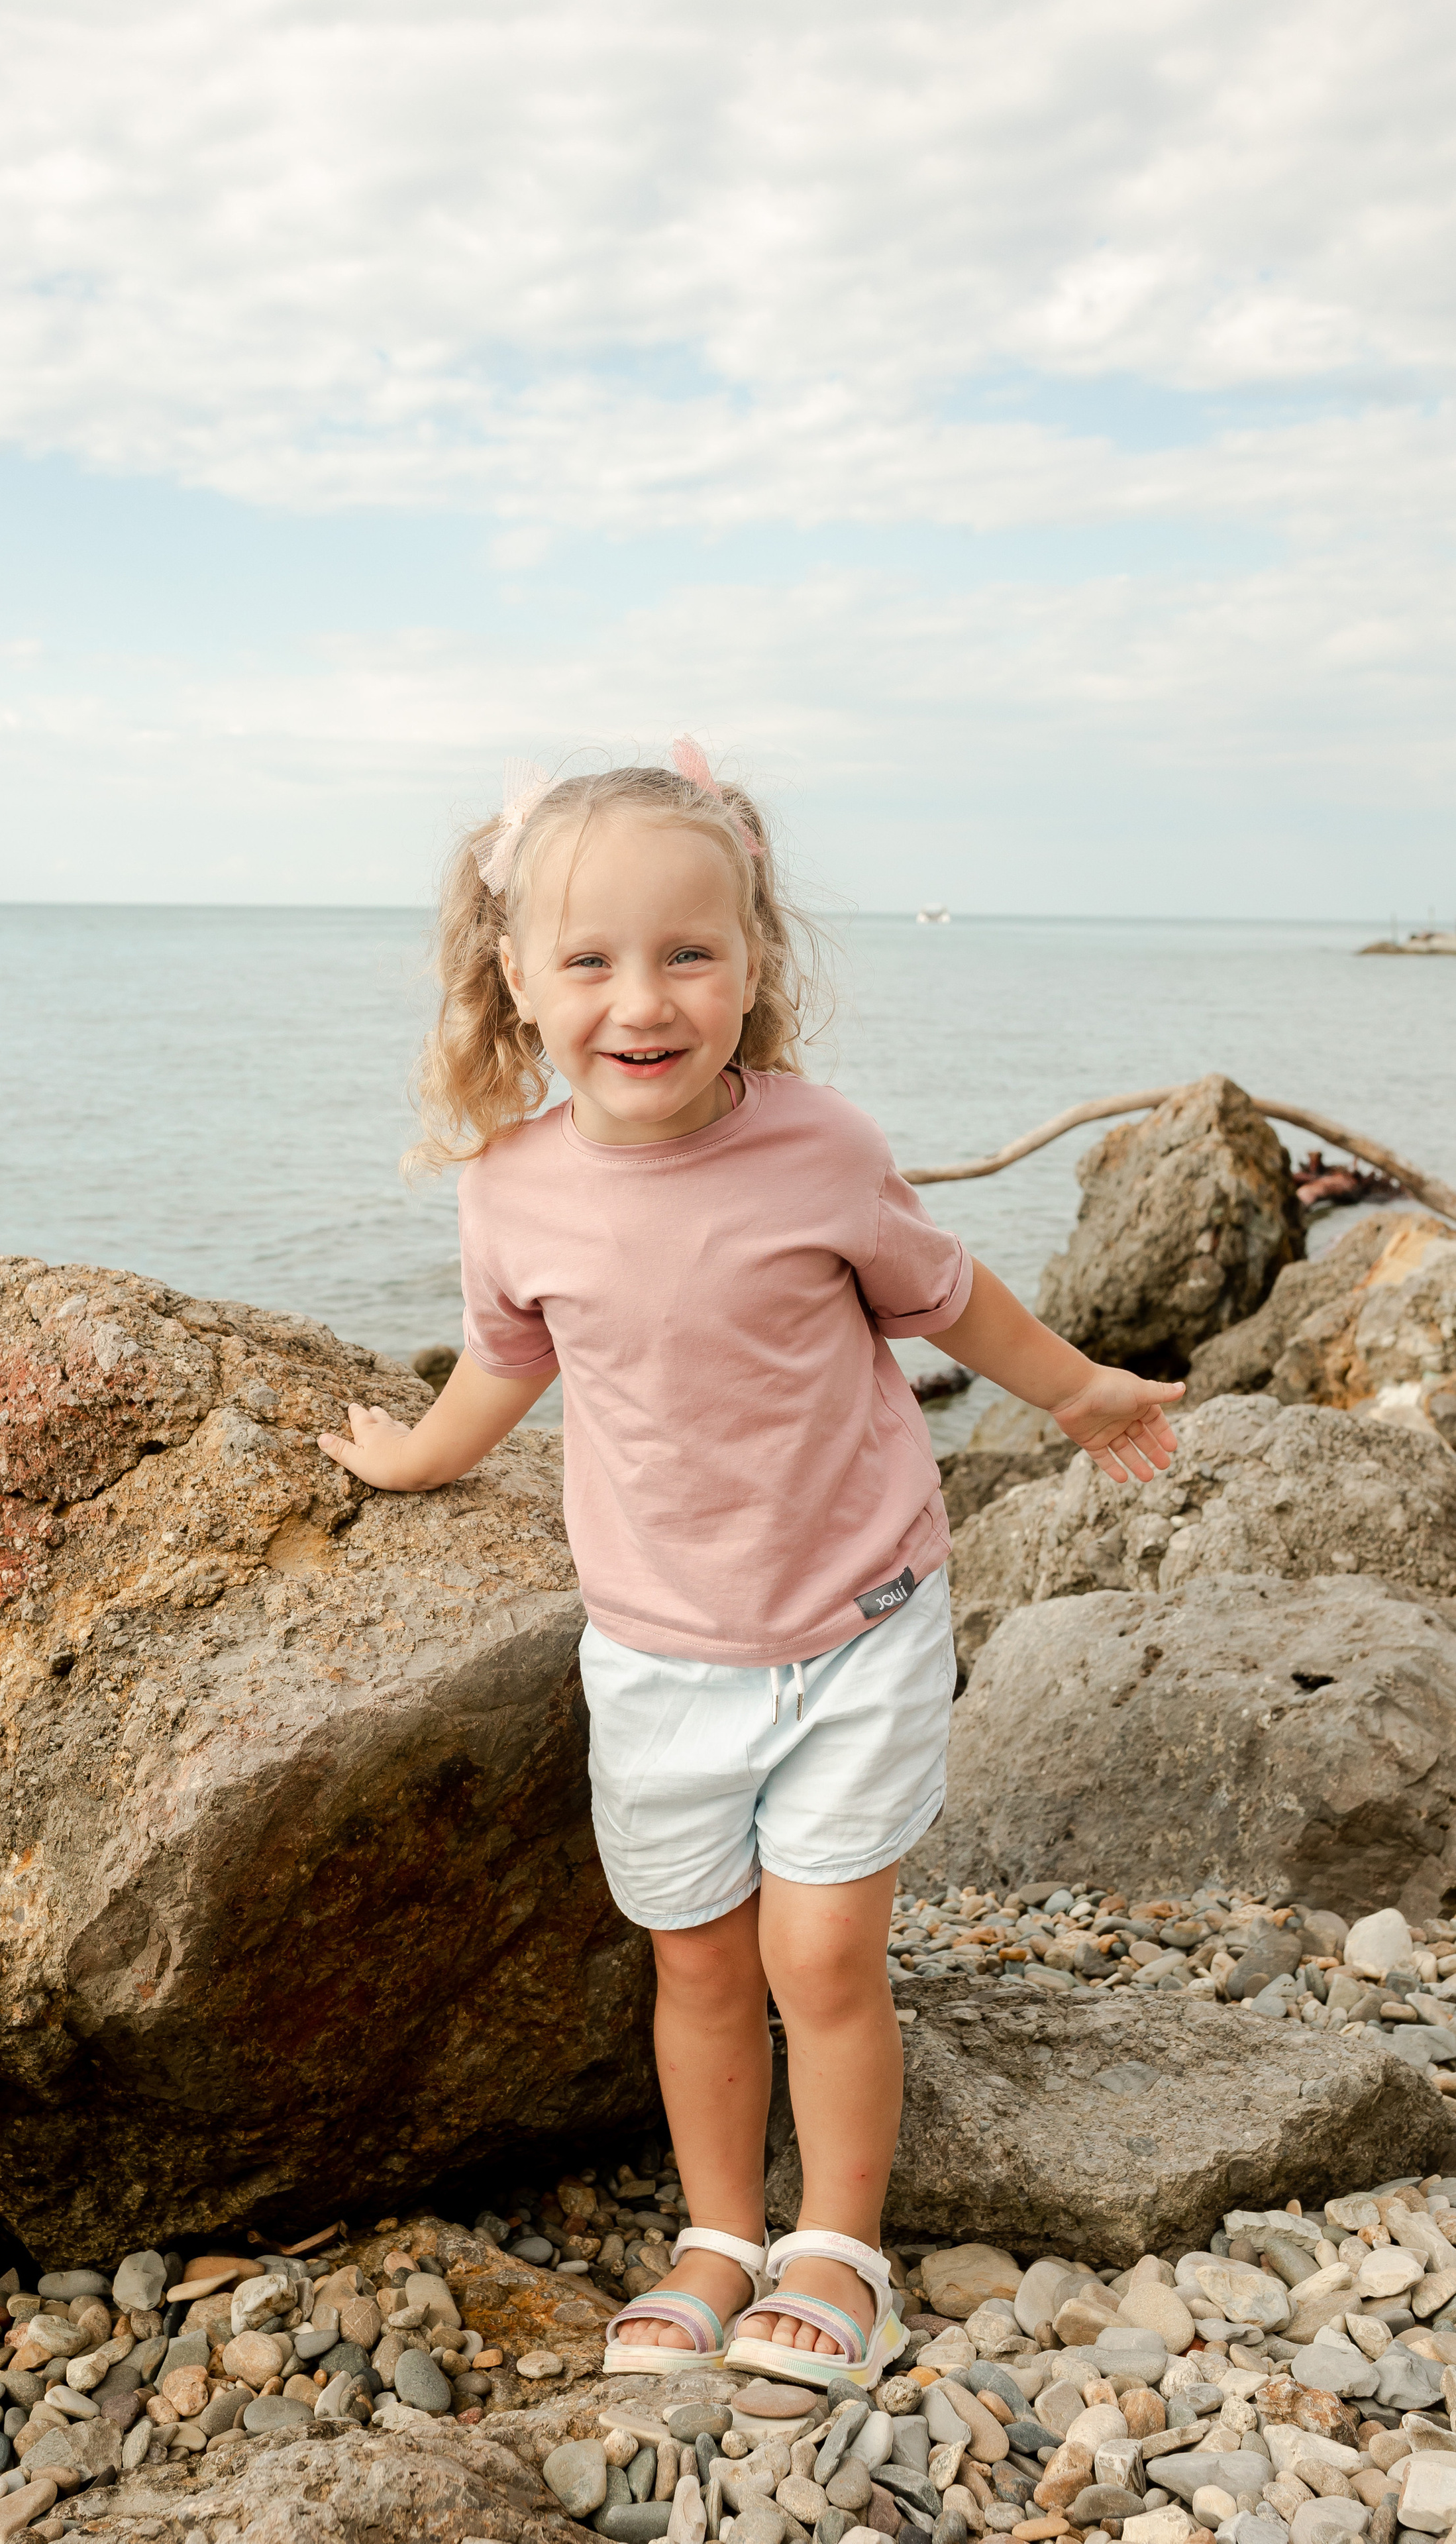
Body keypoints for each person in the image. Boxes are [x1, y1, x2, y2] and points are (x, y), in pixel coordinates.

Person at [320, 741, 1182, 2388]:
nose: (639, 1000)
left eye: (685, 954)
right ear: (512, 980)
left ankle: (838, 2244)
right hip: (656, 1649)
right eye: (588, 961)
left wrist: (1075, 1390)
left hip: (857, 1617)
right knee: (699, 1955)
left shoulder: (819, 1149)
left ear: (751, 967)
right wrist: (420, 1454)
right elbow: (505, 1361)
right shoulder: (511, 1187)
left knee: (818, 1954)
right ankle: (720, 2230)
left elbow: (945, 1298)